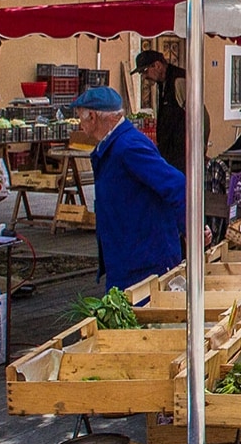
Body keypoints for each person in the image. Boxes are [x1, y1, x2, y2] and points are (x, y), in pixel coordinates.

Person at [72, 87, 184, 291]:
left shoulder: (128, 146)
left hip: (143, 260)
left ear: (94, 117)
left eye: (81, 117)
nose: (80, 124)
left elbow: (175, 184)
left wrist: (192, 229)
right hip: (128, 255)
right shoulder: (114, 145)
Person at [131, 49, 205, 172]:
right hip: (170, 155)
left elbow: (200, 115)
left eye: (145, 71)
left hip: (184, 155)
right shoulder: (162, 84)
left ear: (158, 65)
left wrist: (200, 146)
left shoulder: (179, 81)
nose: (144, 77)